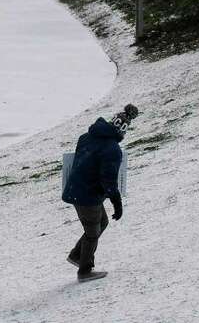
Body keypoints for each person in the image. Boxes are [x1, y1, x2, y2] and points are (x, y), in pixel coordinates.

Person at [62, 104, 137, 282]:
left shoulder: (86, 137)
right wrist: (117, 203)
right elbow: (109, 181)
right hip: (87, 196)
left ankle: (77, 255)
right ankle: (84, 271)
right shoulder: (112, 150)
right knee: (92, 232)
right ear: (122, 132)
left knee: (102, 222)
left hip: (76, 189)